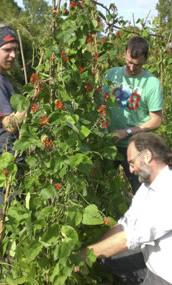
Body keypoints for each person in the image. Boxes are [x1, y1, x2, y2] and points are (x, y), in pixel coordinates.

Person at [78, 132, 172, 284]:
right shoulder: (147, 187)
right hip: (152, 262)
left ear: (147, 156)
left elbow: (131, 237)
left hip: (165, 275)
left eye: (132, 162)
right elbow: (124, 224)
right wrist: (93, 249)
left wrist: (84, 255)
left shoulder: (168, 189)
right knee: (107, 256)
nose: (130, 170)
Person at [0, 23, 28, 241]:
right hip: (1, 158)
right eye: (7, 50)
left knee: (5, 207)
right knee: (0, 210)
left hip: (2, 155)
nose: (13, 55)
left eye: (15, 50)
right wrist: (32, 107)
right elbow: (9, 123)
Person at [103, 37, 163, 194]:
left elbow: (156, 120)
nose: (131, 67)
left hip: (136, 149)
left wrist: (127, 132)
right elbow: (100, 104)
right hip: (107, 144)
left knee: (142, 192)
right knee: (100, 187)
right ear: (124, 54)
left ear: (145, 60)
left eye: (137, 64)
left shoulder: (152, 83)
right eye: (129, 61)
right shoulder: (112, 75)